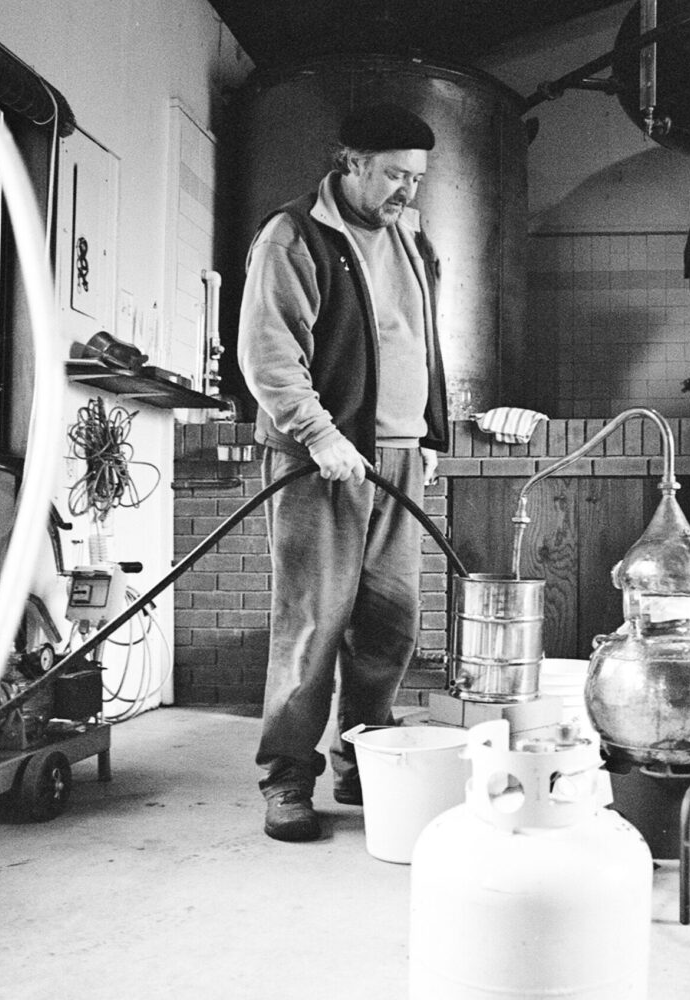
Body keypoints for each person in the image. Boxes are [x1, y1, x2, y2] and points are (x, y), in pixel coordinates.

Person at [237, 103, 449, 842]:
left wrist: (431, 432)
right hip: (322, 459)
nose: (406, 192)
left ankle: (363, 757)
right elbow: (268, 355)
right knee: (312, 624)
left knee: (390, 622)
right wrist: (319, 436)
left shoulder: (412, 238)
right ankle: (287, 777)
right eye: (394, 174)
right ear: (350, 161)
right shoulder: (295, 235)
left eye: (417, 179)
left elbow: (416, 342)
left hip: (397, 456)